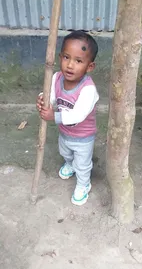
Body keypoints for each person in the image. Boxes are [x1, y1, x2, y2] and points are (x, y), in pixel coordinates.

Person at [36, 30, 99, 206]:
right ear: (59, 57)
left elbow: (78, 114)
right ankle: (70, 164)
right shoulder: (56, 77)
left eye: (78, 61)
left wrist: (53, 116)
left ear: (89, 66)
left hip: (83, 138)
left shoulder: (88, 90)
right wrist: (43, 99)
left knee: (83, 164)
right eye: (66, 57)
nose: (70, 65)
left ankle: (83, 184)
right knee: (65, 153)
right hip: (64, 133)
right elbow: (52, 97)